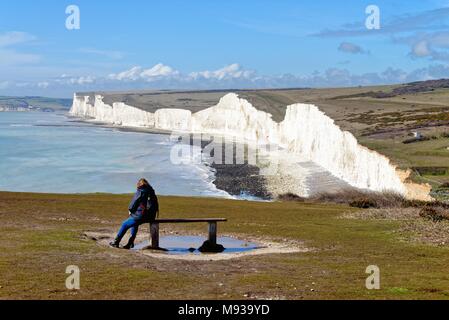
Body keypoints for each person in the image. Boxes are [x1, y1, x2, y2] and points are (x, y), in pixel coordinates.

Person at [109, 178, 159, 249]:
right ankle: (130, 243)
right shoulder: (151, 191)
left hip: (141, 216)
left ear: (139, 184)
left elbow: (134, 202)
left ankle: (116, 242)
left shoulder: (141, 191)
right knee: (134, 223)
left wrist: (130, 210)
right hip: (150, 216)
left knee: (125, 224)